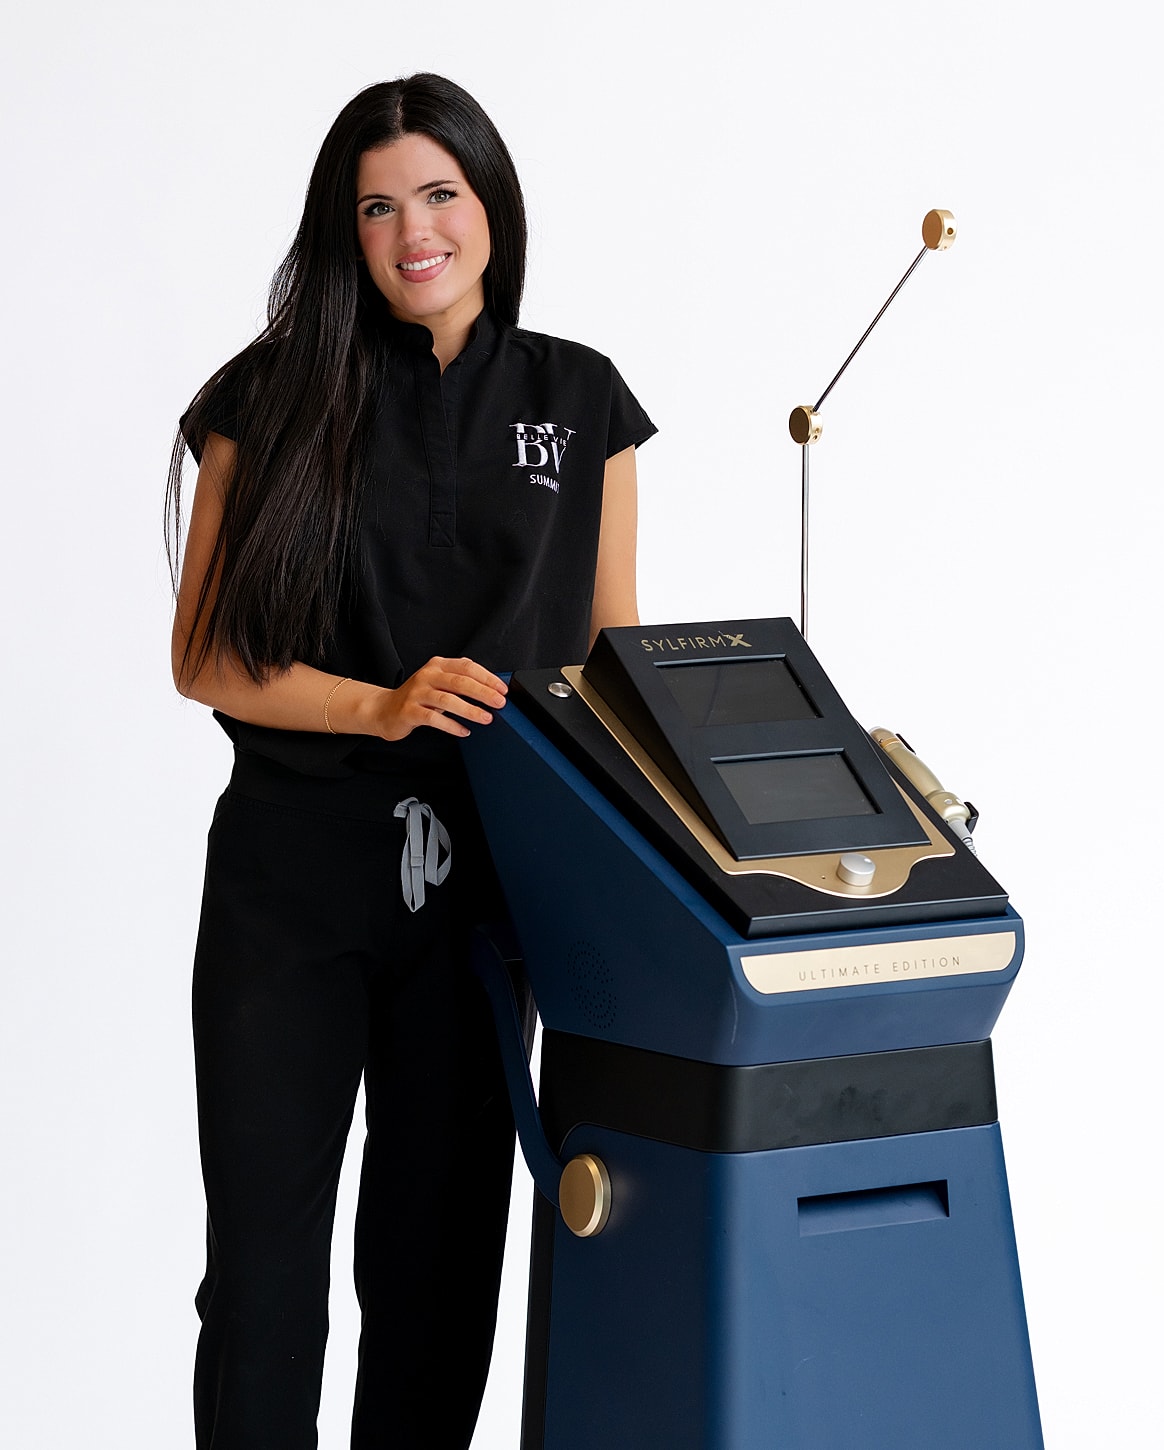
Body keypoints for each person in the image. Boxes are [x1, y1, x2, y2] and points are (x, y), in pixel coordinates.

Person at [166, 73, 655, 1450]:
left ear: (490, 205)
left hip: (488, 904)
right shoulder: (270, 398)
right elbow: (205, 656)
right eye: (376, 206)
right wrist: (383, 708)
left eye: (438, 194)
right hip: (291, 890)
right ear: (345, 230)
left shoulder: (585, 400)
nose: (412, 231)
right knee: (266, 1283)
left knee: (440, 1283)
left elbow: (617, 667)